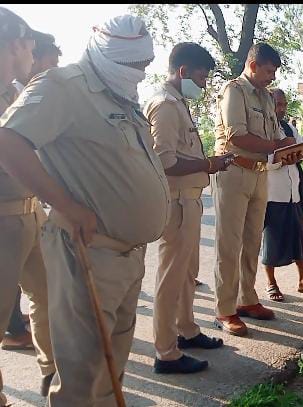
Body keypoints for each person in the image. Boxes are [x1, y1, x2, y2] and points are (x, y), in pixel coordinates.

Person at [0, 14, 171, 404]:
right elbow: (8, 141)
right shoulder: (63, 86)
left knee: (110, 370)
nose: (140, 71)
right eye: (132, 63)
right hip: (90, 252)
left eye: (145, 63)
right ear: (106, 54)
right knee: (83, 374)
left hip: (128, 255)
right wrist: (66, 205)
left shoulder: (119, 90)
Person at [145, 42, 229, 375]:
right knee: (171, 277)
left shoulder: (178, 103)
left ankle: (186, 330)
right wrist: (208, 164)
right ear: (183, 72)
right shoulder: (166, 106)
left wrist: (207, 164)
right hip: (176, 202)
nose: (204, 84)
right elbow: (164, 161)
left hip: (189, 201)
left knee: (186, 275)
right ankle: (166, 352)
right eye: (201, 77)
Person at [212, 42, 297, 336]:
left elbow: (274, 136)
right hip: (233, 172)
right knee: (229, 244)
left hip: (260, 173)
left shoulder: (265, 96)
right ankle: (225, 309)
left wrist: (290, 149)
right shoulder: (234, 91)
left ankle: (246, 299)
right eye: (269, 71)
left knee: (251, 242)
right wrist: (276, 146)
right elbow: (237, 136)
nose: (272, 77)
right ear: (253, 66)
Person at [0, 9, 55, 402]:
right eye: (29, 44)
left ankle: (53, 371)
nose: (33, 52)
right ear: (14, 44)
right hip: (3, 220)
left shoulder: (14, 91)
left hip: (31, 212)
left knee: (49, 296)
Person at [262, 88, 303, 301]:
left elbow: (301, 146)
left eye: (284, 105)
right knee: (272, 241)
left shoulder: (288, 128)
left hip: (293, 195)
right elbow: (261, 161)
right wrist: (280, 160)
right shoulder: (262, 129)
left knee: (299, 239)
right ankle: (271, 283)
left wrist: (299, 154)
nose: (281, 109)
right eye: (277, 104)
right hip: (273, 195)